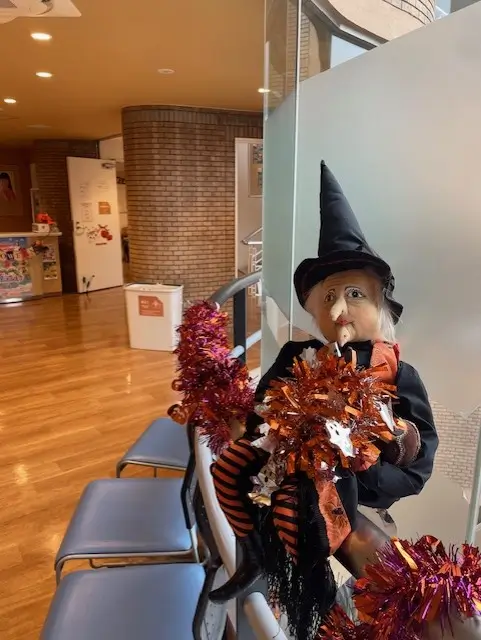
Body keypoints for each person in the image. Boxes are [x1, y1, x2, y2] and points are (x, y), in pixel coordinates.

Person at [208, 162, 438, 635]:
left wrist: (365, 466)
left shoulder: (396, 373)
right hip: (280, 468)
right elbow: (260, 410)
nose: (339, 310)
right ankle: (252, 556)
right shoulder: (298, 355)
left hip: (345, 495)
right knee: (227, 469)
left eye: (353, 294)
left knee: (303, 519)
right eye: (329, 296)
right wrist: (275, 426)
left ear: (378, 304)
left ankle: (315, 603)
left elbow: (418, 463)